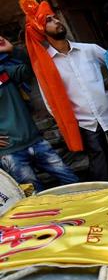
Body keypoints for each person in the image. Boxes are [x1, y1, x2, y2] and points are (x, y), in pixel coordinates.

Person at [19, 0, 108, 185]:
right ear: (41, 29)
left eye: (55, 17)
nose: (56, 21)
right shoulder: (46, 66)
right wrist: (71, 122)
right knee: (102, 170)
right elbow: (51, 103)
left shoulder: (89, 49)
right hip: (85, 123)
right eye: (49, 20)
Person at [0, 35, 78, 191]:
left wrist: (13, 50)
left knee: (72, 181)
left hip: (36, 141)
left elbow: (33, 66)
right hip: (10, 152)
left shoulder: (4, 71)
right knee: (35, 197)